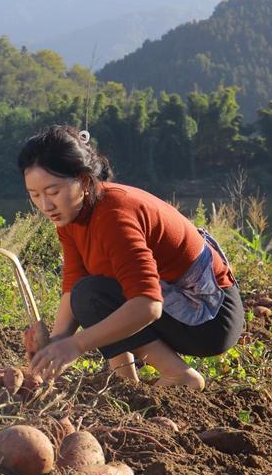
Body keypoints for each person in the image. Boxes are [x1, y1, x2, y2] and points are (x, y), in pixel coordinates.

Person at [20, 125, 244, 390]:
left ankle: (179, 375)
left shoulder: (114, 216)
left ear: (83, 181)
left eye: (53, 192)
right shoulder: (72, 215)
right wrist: (55, 344)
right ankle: (124, 381)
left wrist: (77, 345)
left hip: (209, 317)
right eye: (35, 195)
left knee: (92, 296)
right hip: (174, 301)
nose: (45, 205)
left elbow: (148, 305)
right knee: (88, 291)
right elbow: (74, 283)